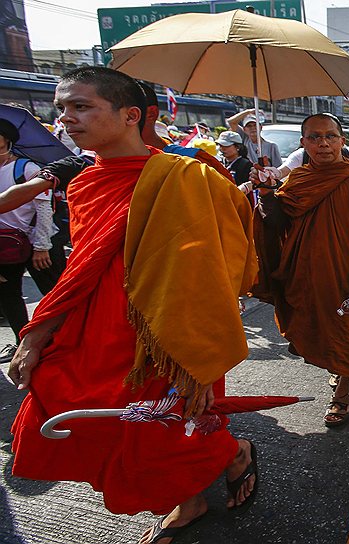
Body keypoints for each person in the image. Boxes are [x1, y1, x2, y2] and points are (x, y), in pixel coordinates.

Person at [7, 66, 259, 544]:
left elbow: (210, 271)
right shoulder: (81, 183)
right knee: (68, 401)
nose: (67, 119)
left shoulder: (182, 177)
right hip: (94, 325)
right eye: (62, 108)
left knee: (159, 422)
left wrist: (197, 359)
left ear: (130, 115)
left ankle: (205, 482)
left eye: (82, 106)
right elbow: (82, 265)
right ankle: (221, 463)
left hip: (162, 330)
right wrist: (40, 333)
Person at [253, 112, 349, 427]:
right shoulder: (298, 180)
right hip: (307, 273)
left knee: (345, 331)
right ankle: (340, 372)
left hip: (347, 271)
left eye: (330, 136)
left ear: (342, 141)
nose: (323, 143)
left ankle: (342, 392)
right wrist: (267, 192)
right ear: (303, 144)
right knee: (321, 328)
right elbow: (276, 222)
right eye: (314, 137)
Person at [0, 119, 56, 362]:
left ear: (6, 140)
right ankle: (20, 342)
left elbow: (44, 209)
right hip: (4, 248)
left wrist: (42, 246)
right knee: (9, 296)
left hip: (36, 245)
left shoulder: (27, 169)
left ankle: (61, 341)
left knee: (53, 293)